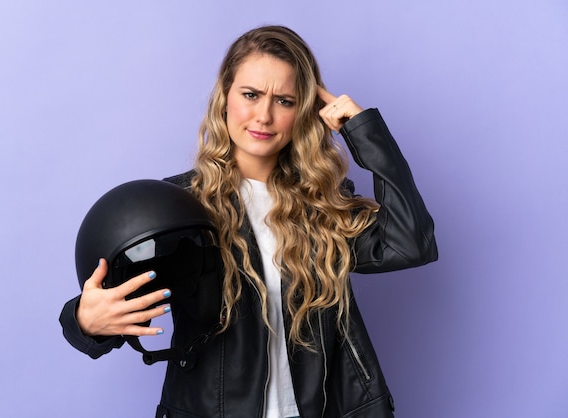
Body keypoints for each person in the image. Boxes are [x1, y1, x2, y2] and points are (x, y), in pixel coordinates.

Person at [60, 25, 438, 418]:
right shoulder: (180, 206)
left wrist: (365, 133)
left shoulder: (324, 202)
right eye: (251, 95)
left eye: (285, 101)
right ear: (225, 97)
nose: (265, 115)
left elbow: (410, 243)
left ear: (303, 111)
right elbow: (111, 302)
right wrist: (86, 320)